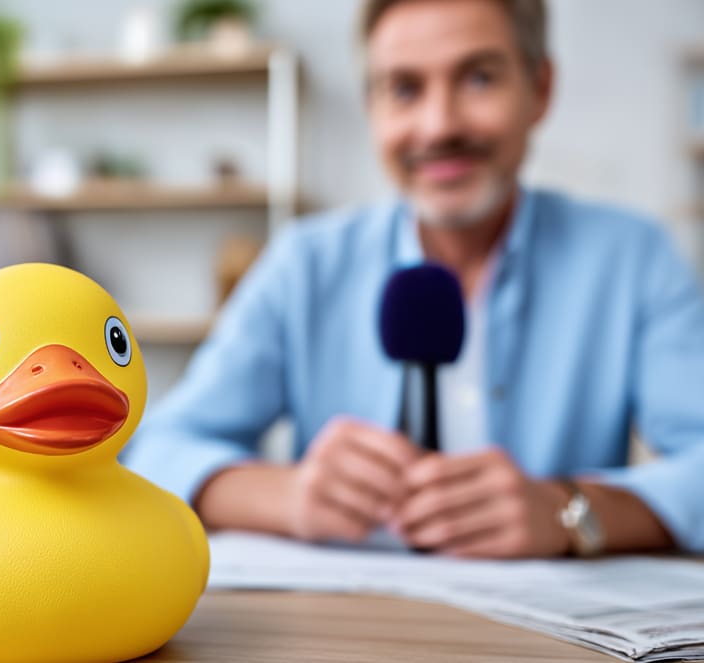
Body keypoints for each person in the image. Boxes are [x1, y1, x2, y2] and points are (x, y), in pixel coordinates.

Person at [123, 0, 704, 558]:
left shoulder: (633, 258)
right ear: (373, 109)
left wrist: (568, 510)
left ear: (540, 89)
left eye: (479, 78)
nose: (438, 125)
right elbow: (156, 450)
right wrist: (289, 495)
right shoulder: (304, 263)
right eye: (404, 89)